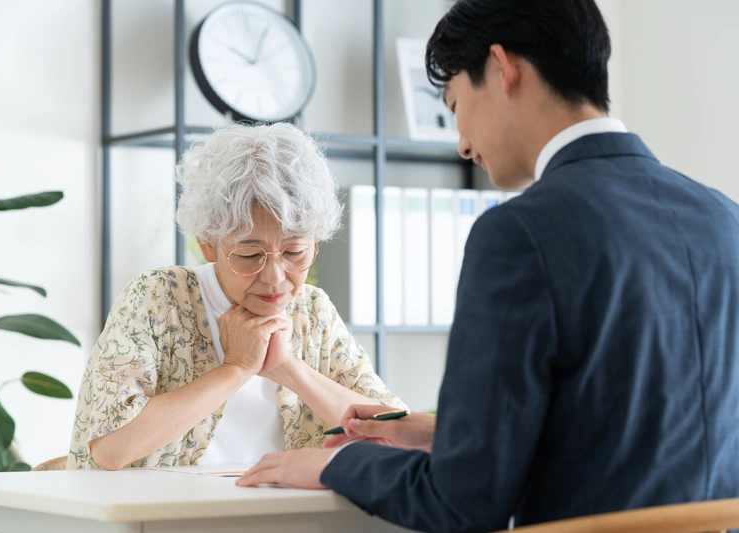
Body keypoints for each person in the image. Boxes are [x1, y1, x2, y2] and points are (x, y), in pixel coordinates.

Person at [236, 0, 739, 531]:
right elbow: (634, 430)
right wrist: (444, 433)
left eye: (455, 105)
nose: (463, 143)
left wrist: (339, 463)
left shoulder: (519, 232)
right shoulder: (723, 218)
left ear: (502, 68)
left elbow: (462, 504)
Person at [67, 123, 405, 470]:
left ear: (316, 244)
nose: (275, 278)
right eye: (248, 255)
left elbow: (399, 436)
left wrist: (288, 369)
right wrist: (236, 368)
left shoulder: (312, 310)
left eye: (294, 253)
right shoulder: (158, 298)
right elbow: (110, 449)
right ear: (207, 243)